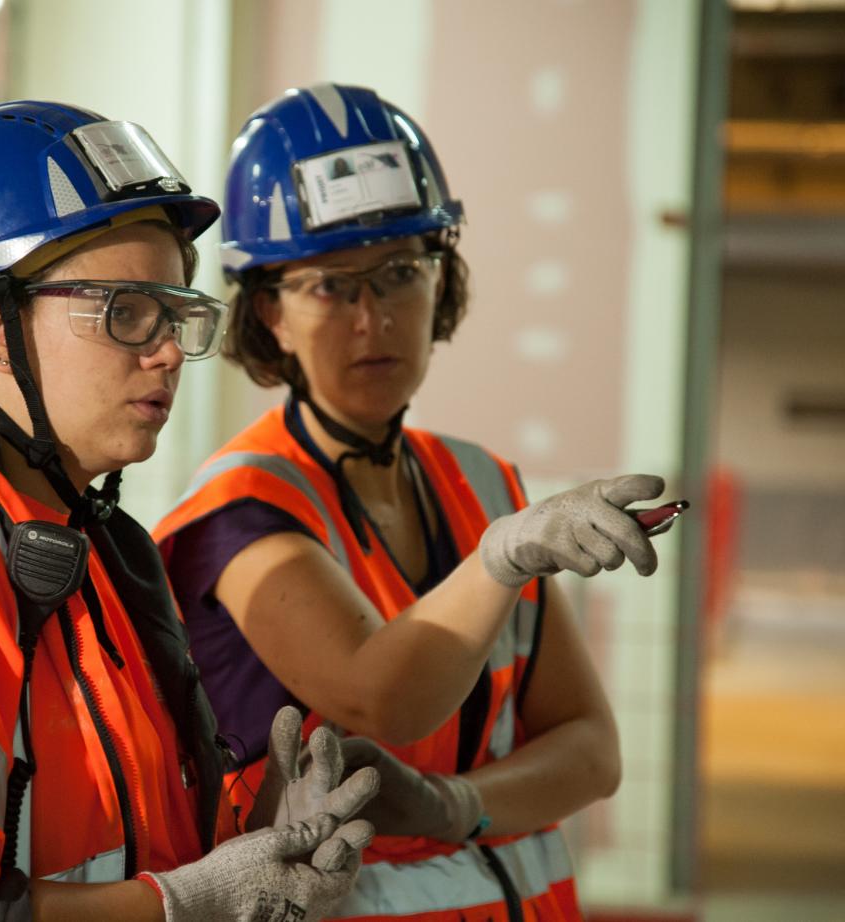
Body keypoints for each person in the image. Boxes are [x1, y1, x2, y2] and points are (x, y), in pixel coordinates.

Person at [0, 100, 380, 922]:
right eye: (125, 312)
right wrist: (188, 904)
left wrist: (256, 843)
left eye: (175, 314)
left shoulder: (100, 551)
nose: (165, 351)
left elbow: (127, 848)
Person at [154, 83, 669, 921]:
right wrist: (500, 560)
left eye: (400, 273)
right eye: (331, 286)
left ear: (442, 280)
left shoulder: (481, 480)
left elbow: (592, 752)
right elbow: (382, 701)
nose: (374, 319)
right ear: (269, 314)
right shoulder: (239, 511)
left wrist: (451, 805)